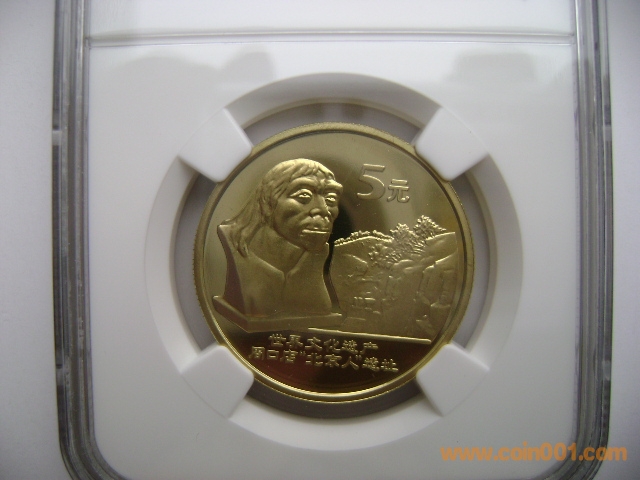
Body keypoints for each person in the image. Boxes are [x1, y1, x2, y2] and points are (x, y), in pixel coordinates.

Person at [214, 159, 343, 332]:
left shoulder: (318, 253)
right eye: (303, 196)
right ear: (267, 202)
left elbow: (319, 308)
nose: (323, 210)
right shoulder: (235, 241)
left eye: (331, 199)